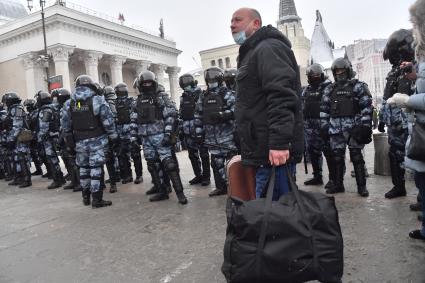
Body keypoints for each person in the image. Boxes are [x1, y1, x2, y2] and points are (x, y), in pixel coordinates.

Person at [231, 8, 302, 199]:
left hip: (274, 155)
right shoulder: (252, 52)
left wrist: (279, 143)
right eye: (231, 21)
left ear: (255, 23)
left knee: (276, 215)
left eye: (237, 20)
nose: (232, 24)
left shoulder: (268, 48)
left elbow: (281, 96)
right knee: (271, 213)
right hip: (262, 153)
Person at [387, 0, 425, 241]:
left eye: (415, 23)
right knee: (420, 180)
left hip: (415, 124)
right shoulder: (418, 62)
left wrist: (409, 101)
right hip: (416, 127)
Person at [131, 71, 187, 205]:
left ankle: (180, 194)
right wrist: (133, 139)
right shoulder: (137, 101)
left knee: (170, 165)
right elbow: (133, 120)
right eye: (144, 83)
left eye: (149, 83)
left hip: (160, 136)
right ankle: (162, 191)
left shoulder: (160, 97)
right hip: (146, 139)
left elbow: (170, 116)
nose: (147, 85)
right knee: (153, 166)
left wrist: (168, 134)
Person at [61, 75, 117, 208]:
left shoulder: (70, 103)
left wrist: (70, 142)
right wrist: (114, 137)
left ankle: (85, 197)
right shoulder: (98, 100)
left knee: (84, 169)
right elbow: (108, 122)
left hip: (79, 142)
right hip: (97, 140)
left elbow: (65, 125)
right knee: (96, 169)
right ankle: (97, 200)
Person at [320, 58, 373, 197]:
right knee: (337, 158)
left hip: (354, 128)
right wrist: (324, 126)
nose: (340, 74)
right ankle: (338, 185)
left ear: (348, 71)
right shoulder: (330, 89)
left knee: (356, 157)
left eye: (342, 71)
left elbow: (366, 107)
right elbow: (324, 109)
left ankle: (362, 187)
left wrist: (365, 125)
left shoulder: (359, 86)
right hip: (335, 129)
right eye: (337, 72)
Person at [378, 29, 416, 199]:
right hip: (394, 125)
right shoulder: (393, 72)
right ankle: (398, 187)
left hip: (412, 124)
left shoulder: (416, 69)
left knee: (418, 158)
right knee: (394, 155)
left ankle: (421, 197)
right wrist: (381, 118)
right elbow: (386, 99)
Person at [194, 67, 237, 196]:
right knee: (216, 164)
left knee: (231, 163)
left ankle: (235, 187)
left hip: (227, 136)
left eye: (213, 78)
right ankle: (221, 187)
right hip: (211, 138)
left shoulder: (226, 93)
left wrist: (222, 115)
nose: (211, 80)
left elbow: (237, 110)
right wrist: (199, 133)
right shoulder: (203, 96)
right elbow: (198, 116)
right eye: (209, 78)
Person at [302, 64, 333, 188]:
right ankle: (317, 176)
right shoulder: (307, 90)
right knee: (313, 152)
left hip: (324, 125)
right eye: (312, 76)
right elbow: (303, 105)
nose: (314, 78)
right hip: (310, 126)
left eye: (316, 75)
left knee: (329, 152)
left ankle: (334, 179)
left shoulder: (328, 87)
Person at [179, 73, 211, 186]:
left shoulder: (200, 94)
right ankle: (198, 175)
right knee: (192, 155)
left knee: (203, 154)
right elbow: (181, 113)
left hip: (199, 130)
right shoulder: (183, 97)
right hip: (188, 132)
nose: (185, 84)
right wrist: (181, 129)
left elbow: (204, 112)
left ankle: (206, 177)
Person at [114, 82, 144, 186]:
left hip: (130, 132)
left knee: (135, 154)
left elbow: (135, 116)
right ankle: (127, 176)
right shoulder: (115, 102)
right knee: (122, 156)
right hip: (121, 133)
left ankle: (139, 175)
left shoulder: (131, 101)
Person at [36, 91, 66, 189]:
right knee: (55, 159)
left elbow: (44, 127)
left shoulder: (45, 110)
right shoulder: (54, 107)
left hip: (49, 139)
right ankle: (60, 178)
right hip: (55, 137)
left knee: (52, 160)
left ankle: (57, 180)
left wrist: (39, 138)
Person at [3, 92, 32, 188]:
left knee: (22, 158)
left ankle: (27, 179)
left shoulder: (17, 109)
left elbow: (18, 126)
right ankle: (18, 178)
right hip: (15, 138)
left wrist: (11, 139)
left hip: (20, 137)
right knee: (16, 158)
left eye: (6, 101)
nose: (5, 103)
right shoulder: (11, 109)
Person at [23, 98, 43, 176]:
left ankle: (50, 171)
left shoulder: (36, 113)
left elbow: (32, 122)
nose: (27, 108)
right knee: (33, 154)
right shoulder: (29, 114)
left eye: (28, 106)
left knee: (42, 154)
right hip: (32, 136)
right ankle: (38, 170)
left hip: (37, 135)